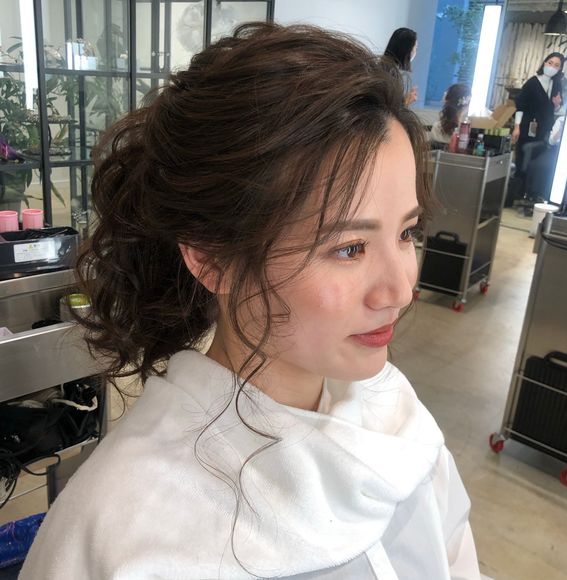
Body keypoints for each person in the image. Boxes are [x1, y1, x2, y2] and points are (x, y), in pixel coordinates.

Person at [21, 23, 481, 579]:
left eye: (407, 233)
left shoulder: (396, 416)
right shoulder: (128, 531)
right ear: (211, 258)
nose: (401, 289)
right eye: (349, 248)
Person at [511, 52, 565, 179]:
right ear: (544, 63)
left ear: (560, 69)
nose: (552, 67)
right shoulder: (532, 83)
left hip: (545, 129)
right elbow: (520, 106)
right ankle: (519, 183)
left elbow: (555, 108)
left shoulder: (556, 84)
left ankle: (530, 186)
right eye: (550, 63)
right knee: (523, 159)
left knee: (537, 161)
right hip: (527, 127)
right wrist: (517, 127)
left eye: (556, 65)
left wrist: (557, 105)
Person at [384, 27, 418, 106]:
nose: (415, 51)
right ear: (408, 49)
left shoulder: (379, 68)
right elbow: (391, 110)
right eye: (416, 48)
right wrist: (407, 101)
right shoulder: (401, 76)